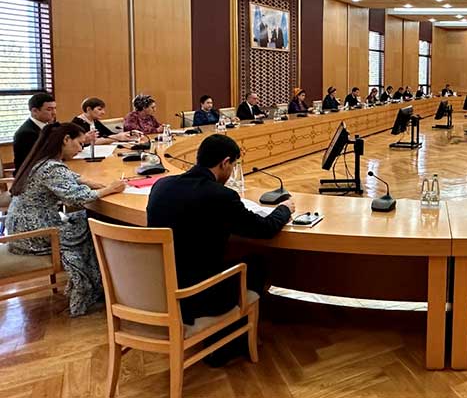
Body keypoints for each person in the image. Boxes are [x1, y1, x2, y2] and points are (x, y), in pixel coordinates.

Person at [146, 134, 294, 362]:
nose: (231, 171)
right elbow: (266, 229)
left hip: (158, 291)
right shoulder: (221, 196)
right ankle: (227, 343)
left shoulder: (161, 186)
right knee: (256, 262)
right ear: (225, 163)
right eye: (233, 165)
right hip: (199, 296)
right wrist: (284, 208)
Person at [6, 123, 126, 316]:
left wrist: (92, 182)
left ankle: (102, 282)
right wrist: (109, 189)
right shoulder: (52, 168)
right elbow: (76, 198)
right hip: (34, 233)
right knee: (94, 225)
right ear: (66, 140)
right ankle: (96, 286)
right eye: (79, 144)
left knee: (85, 218)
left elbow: (71, 177)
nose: (81, 149)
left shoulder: (41, 160)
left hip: (20, 227)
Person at [13, 92, 58, 170]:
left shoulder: (46, 126)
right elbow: (42, 157)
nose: (54, 113)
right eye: (49, 109)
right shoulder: (27, 133)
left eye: (55, 108)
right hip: (30, 175)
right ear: (34, 111)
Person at [72, 97, 139, 144]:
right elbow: (90, 142)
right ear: (88, 109)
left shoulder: (95, 121)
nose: (103, 112)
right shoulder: (77, 123)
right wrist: (117, 137)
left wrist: (129, 134)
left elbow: (109, 134)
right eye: (99, 109)